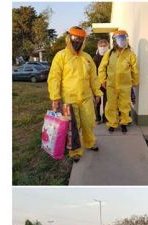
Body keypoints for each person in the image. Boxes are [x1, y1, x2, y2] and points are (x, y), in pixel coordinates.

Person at [48, 26, 103, 162]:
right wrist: (55, 97)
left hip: (85, 98)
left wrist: (97, 93)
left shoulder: (87, 57)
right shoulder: (61, 56)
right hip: (68, 99)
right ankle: (75, 151)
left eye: (80, 38)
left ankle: (89, 143)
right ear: (68, 38)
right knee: (72, 127)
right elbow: (54, 77)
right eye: (74, 38)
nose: (77, 41)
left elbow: (94, 78)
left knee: (88, 122)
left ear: (84, 40)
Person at [98, 30, 139, 134]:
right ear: (114, 41)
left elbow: (135, 69)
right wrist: (102, 80)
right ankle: (112, 123)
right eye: (119, 39)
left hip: (125, 85)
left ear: (126, 40)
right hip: (111, 85)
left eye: (123, 39)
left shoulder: (130, 54)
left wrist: (135, 81)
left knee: (124, 105)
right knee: (111, 105)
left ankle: (124, 123)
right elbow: (102, 67)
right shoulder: (109, 53)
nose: (122, 41)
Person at [93, 39, 110, 124]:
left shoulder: (111, 57)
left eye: (104, 46)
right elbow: (93, 72)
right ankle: (97, 118)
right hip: (98, 83)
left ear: (108, 46)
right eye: (101, 46)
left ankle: (105, 118)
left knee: (107, 101)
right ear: (98, 47)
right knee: (97, 100)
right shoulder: (95, 58)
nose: (103, 48)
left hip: (108, 83)